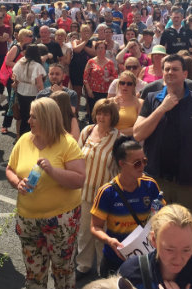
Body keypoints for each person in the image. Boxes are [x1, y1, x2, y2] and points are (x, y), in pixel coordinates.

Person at [133, 54, 192, 268]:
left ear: (185, 74)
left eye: (175, 69)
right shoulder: (152, 99)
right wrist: (162, 108)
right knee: (156, 235)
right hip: (157, 182)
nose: (170, 72)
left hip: (190, 185)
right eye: (167, 69)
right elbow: (137, 134)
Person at [5, 98, 86, 289]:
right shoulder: (24, 140)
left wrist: (52, 171)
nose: (28, 121)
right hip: (28, 218)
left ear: (47, 119)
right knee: (34, 273)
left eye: (33, 117)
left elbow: (79, 180)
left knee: (63, 271)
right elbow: (9, 169)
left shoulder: (67, 144)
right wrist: (18, 182)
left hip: (61, 219)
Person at [90, 138, 161, 276]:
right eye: (137, 163)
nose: (142, 166)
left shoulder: (151, 185)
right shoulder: (107, 192)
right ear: (121, 164)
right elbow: (94, 227)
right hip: (114, 260)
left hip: (144, 260)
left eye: (144, 161)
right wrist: (109, 241)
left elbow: (161, 216)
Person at [118, 204, 192, 289]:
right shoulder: (130, 273)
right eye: (169, 250)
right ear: (153, 240)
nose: (178, 259)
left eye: (186, 250)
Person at [75, 98, 121, 277]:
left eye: (106, 114)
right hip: (85, 192)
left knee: (103, 235)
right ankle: (83, 265)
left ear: (112, 116)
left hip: (105, 196)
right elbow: (77, 158)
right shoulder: (87, 131)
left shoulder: (118, 138)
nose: (101, 117)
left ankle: (104, 268)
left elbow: (119, 169)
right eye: (99, 113)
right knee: (84, 232)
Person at [12, 44, 46, 136]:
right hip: (32, 92)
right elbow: (39, 84)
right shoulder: (37, 66)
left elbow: (15, 77)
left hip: (20, 91)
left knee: (24, 116)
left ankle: (21, 135)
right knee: (32, 116)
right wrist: (43, 96)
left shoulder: (20, 62)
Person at [83, 40, 118, 123]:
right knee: (93, 111)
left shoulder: (110, 62)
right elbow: (85, 77)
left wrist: (109, 78)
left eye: (102, 48)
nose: (100, 50)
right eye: (98, 48)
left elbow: (115, 77)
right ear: (95, 49)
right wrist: (88, 90)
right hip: (93, 91)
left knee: (104, 111)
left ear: (105, 49)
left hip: (106, 91)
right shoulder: (91, 62)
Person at [111, 71, 143, 136]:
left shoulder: (140, 103)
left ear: (134, 86)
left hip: (130, 140)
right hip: (110, 138)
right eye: (122, 83)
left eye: (129, 84)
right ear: (118, 84)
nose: (125, 86)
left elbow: (140, 127)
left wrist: (117, 133)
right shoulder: (110, 102)